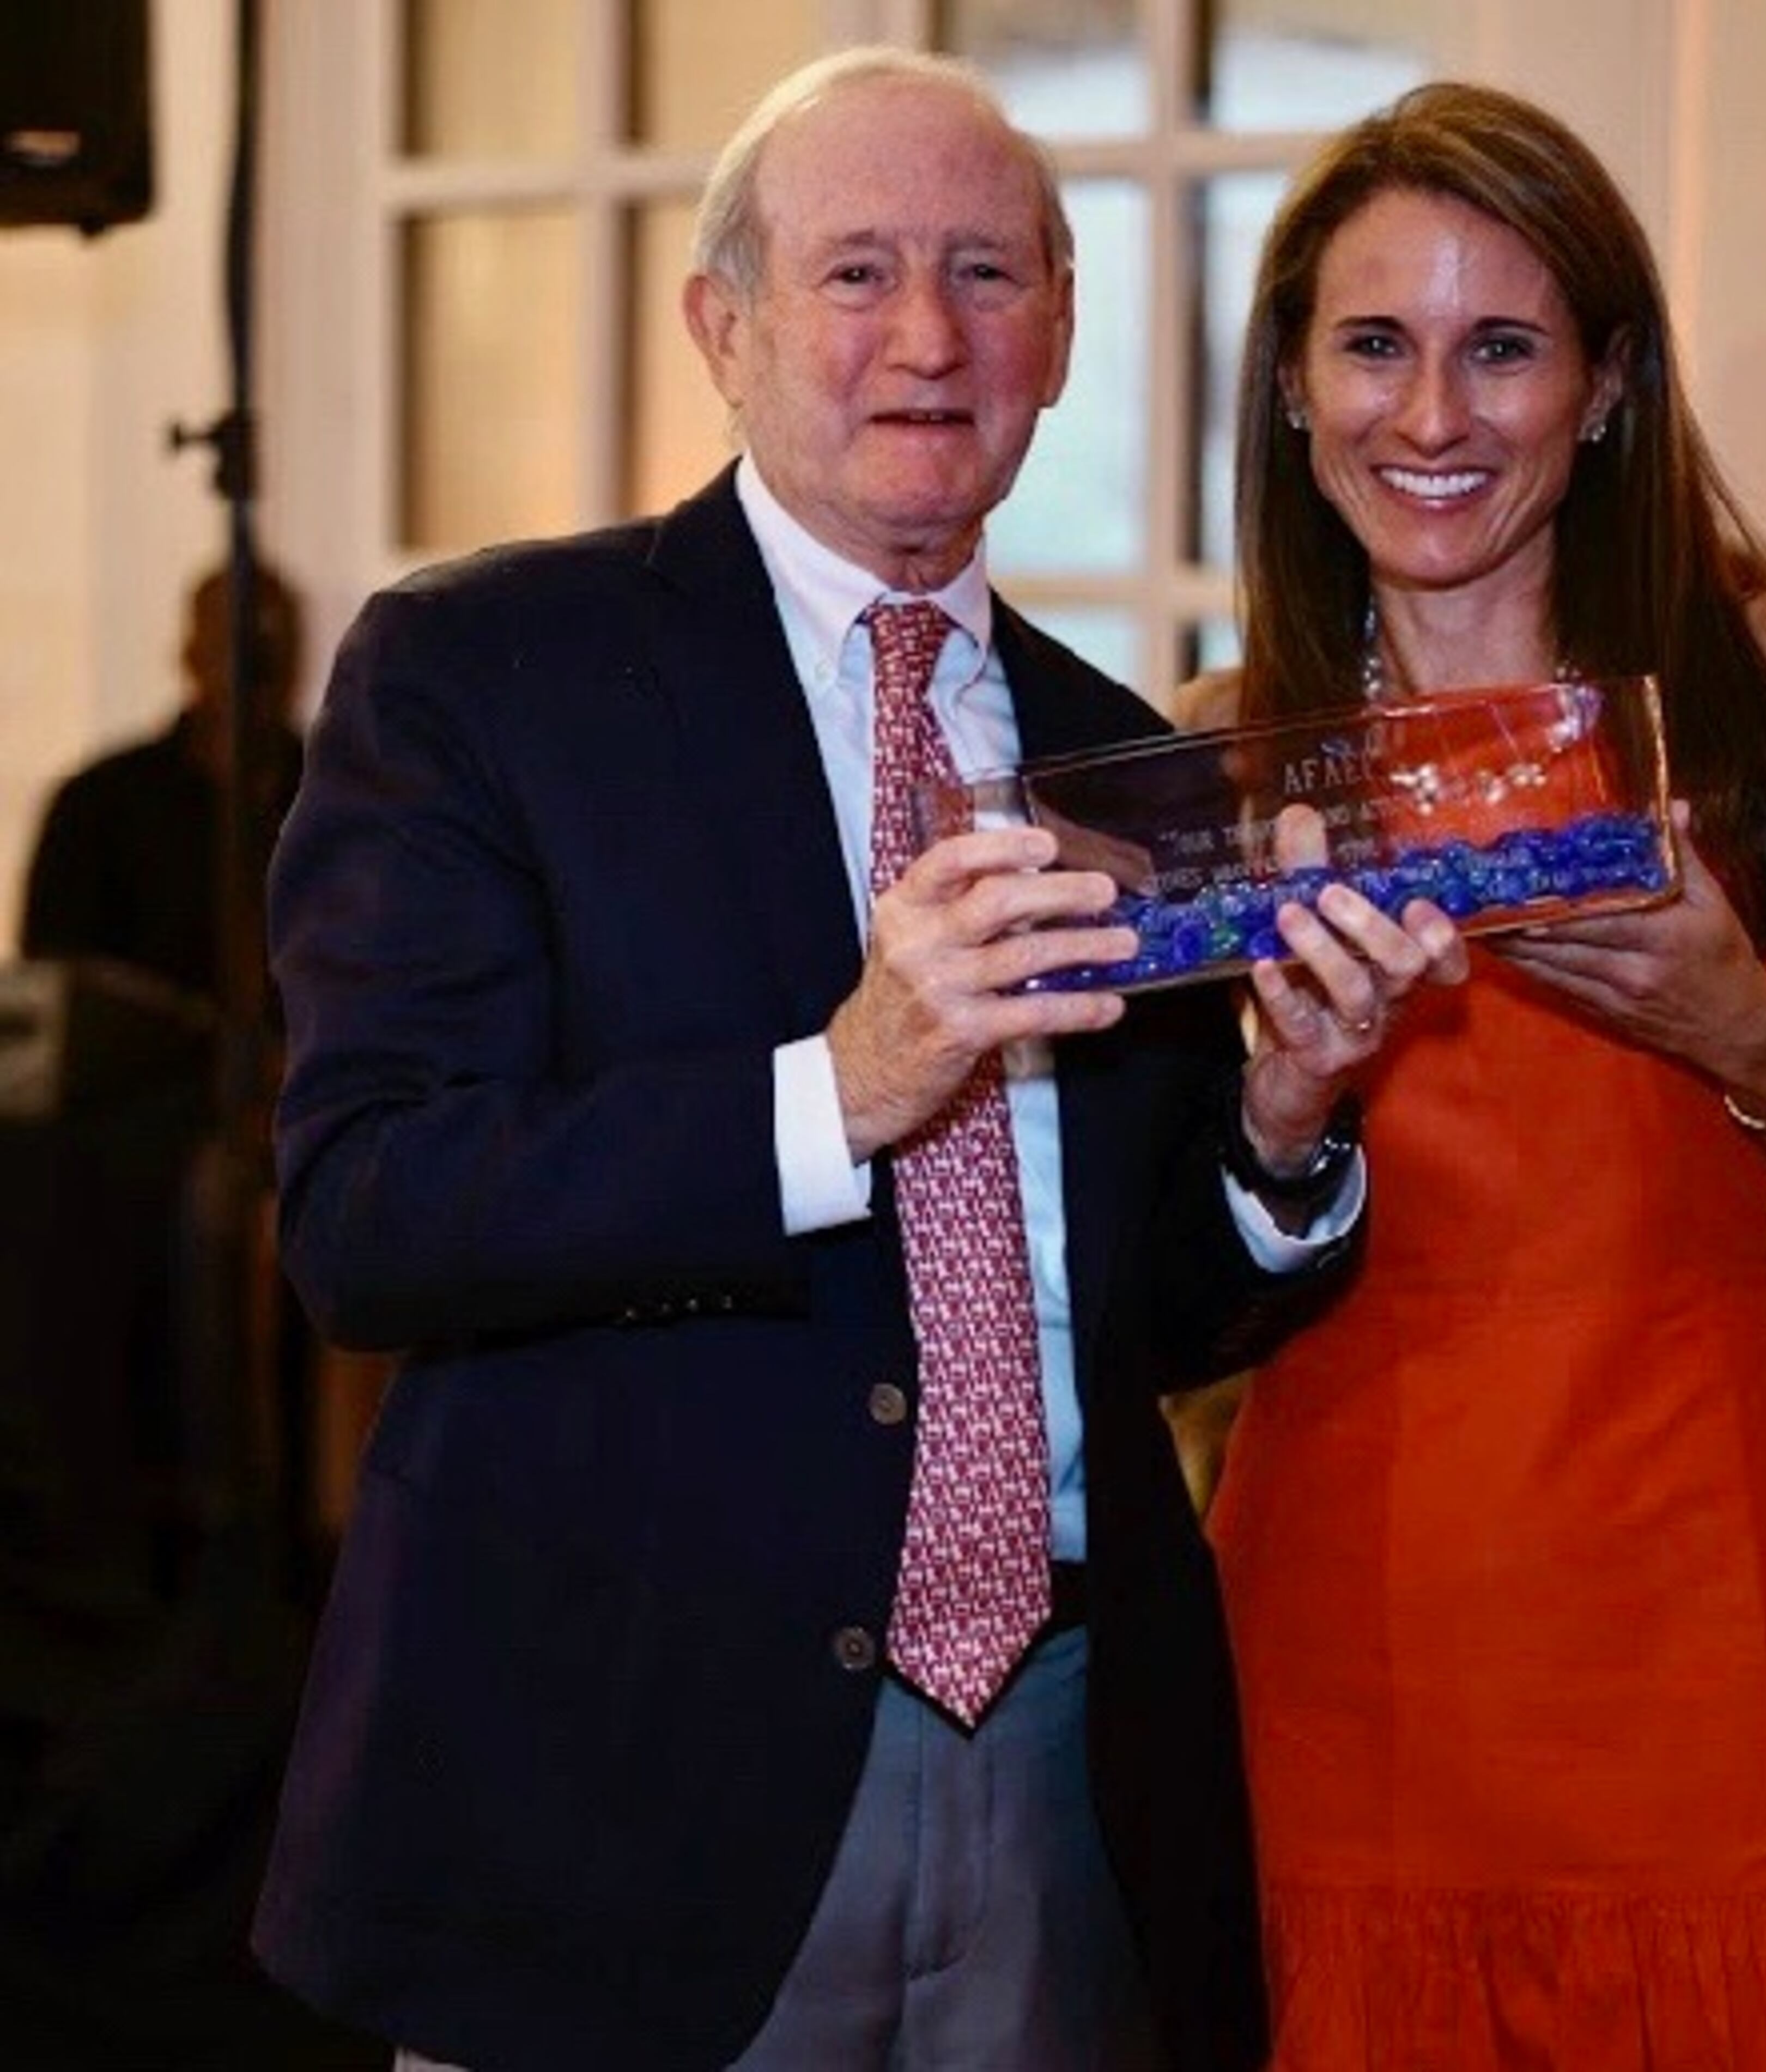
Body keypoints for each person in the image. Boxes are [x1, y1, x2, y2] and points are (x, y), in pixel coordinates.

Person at [248, 48, 1465, 2072]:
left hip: (1071, 1773)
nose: (927, 334)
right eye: (856, 272)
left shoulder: (1127, 763)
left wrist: (1283, 1113)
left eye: (990, 272)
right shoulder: (487, 677)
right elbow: (370, 1213)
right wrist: (839, 1086)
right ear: (720, 328)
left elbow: (1131, 1307)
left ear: (1063, 335)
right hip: (625, 1775)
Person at [1197, 79, 1766, 2068]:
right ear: (1296, 391)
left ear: (1600, 388)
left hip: (1701, 1584)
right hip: (1342, 1599)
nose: (1433, 415)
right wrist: (1277, 1099)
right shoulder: (1222, 760)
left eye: (1502, 345)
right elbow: (1173, 1256)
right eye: (1376, 345)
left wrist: (1739, 1032)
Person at [21, 557, 305, 1008]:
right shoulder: (99, 807)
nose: (260, 680)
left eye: (274, 655)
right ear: (192, 657)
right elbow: (60, 991)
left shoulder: (352, 800)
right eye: (243, 653)